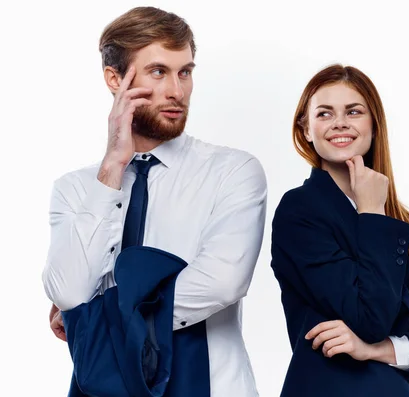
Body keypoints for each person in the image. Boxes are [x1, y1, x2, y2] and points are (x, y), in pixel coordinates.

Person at [42, 6, 267, 397]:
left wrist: (95, 315)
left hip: (212, 385)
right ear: (115, 79)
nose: (177, 91)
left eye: (186, 72)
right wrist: (113, 165)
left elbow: (221, 283)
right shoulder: (77, 189)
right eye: (159, 72)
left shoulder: (232, 171)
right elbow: (67, 290)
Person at [270, 64, 409, 396]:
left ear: (373, 125)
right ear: (306, 129)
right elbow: (371, 319)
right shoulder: (299, 211)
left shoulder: (391, 218)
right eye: (324, 113)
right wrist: (371, 213)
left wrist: (375, 350)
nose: (340, 122)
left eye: (353, 111)